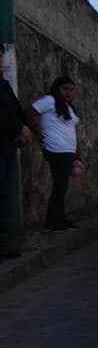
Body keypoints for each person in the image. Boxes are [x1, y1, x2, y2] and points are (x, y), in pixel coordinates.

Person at [27, 75, 81, 230]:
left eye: (71, 89)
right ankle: (52, 222)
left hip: (67, 150)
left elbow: (71, 131)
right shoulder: (49, 101)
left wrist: (77, 155)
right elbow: (30, 112)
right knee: (60, 185)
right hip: (55, 149)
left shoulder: (67, 107)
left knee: (62, 186)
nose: (68, 92)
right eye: (65, 89)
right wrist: (37, 132)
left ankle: (60, 219)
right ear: (57, 88)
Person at [0, 45, 31, 257]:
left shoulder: (2, 84)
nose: (2, 59)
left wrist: (21, 129)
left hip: (7, 143)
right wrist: (19, 127)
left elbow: (14, 110)